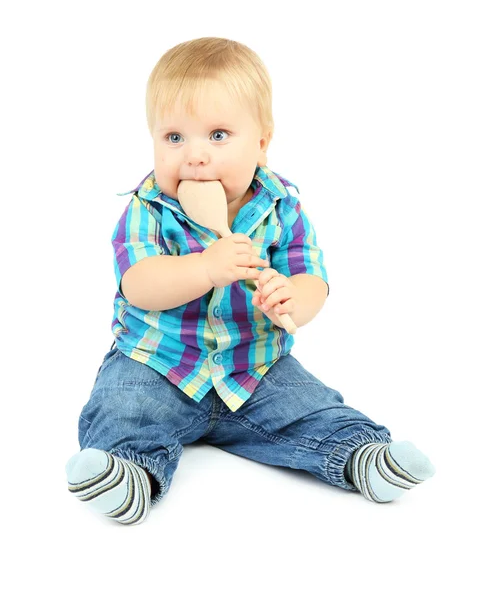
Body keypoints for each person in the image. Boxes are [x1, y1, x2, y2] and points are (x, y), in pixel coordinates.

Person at [65, 37, 436, 525]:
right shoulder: (147, 208)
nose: (194, 155)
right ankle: (130, 474)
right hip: (158, 362)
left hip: (257, 366)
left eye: (218, 135)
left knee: (312, 406)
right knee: (122, 409)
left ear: (262, 143)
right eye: (174, 138)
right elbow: (139, 283)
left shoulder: (283, 207)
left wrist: (293, 298)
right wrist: (204, 268)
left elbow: (311, 276)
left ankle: (362, 457)